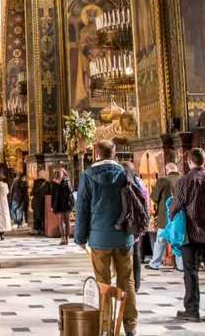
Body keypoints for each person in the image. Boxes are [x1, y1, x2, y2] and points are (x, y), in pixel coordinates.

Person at [74, 140, 138, 336]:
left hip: (99, 238)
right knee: (127, 281)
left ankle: (106, 327)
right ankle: (130, 325)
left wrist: (80, 237)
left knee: (103, 283)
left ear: (96, 154)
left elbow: (82, 208)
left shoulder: (88, 175)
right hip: (124, 236)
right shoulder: (125, 173)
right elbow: (136, 202)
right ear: (114, 153)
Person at [171, 148, 205, 323]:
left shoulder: (185, 181)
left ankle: (192, 311)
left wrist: (172, 217)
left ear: (189, 162)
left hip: (191, 234)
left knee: (191, 272)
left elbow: (177, 206)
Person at [147, 163, 183, 271]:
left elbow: (154, 197)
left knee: (160, 240)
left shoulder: (163, 180)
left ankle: (155, 263)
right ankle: (181, 266)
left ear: (167, 170)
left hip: (165, 216)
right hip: (180, 216)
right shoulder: (183, 180)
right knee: (178, 240)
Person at [122, 162, 149, 292]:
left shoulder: (123, 184)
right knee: (136, 254)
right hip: (138, 224)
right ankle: (136, 284)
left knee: (124, 255)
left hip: (126, 224)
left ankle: (127, 283)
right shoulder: (140, 184)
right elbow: (146, 203)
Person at [51, 168, 74, 245]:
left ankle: (67, 238)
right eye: (59, 173)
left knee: (67, 221)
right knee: (60, 222)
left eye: (62, 173)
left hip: (67, 204)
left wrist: (67, 183)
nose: (61, 174)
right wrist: (52, 206)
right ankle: (62, 238)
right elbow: (53, 195)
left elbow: (70, 192)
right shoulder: (54, 183)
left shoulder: (67, 181)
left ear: (64, 174)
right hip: (58, 204)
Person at [31, 171, 51, 236]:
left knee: (37, 215)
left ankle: (37, 229)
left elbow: (33, 192)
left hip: (37, 202)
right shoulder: (47, 183)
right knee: (43, 215)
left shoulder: (36, 182)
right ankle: (43, 229)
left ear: (39, 175)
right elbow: (50, 192)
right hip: (45, 202)